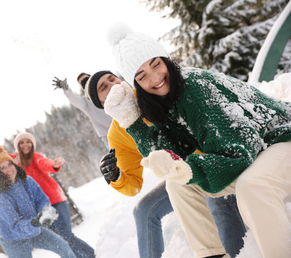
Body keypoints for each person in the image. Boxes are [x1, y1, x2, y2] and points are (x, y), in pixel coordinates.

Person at [104, 22, 291, 258]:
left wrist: (187, 169)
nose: (155, 77)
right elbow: (172, 155)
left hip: (280, 138)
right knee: (177, 184)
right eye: (142, 76)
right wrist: (133, 123)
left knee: (252, 186)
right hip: (257, 152)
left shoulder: (194, 87)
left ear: (166, 60)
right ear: (137, 86)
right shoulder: (165, 102)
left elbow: (238, 153)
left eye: (156, 64)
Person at [84, 71, 246, 258]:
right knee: (144, 210)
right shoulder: (117, 134)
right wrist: (116, 176)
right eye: (103, 87)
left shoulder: (150, 92)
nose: (112, 84)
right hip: (178, 178)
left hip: (211, 163)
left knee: (217, 202)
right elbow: (133, 186)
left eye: (112, 78)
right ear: (103, 104)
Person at [11, 132, 95, 258]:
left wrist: (54, 164)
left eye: (28, 141)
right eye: (21, 143)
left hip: (56, 200)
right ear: (17, 146)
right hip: (41, 208)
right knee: (58, 240)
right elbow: (2, 166)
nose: (25, 144)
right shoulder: (17, 168)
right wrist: (12, 156)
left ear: (32, 144)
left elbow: (44, 162)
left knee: (66, 235)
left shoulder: (36, 157)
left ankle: (91, 255)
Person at [0, 144, 76, 258]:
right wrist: (37, 222)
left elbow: (41, 200)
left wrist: (46, 211)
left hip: (35, 230)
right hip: (14, 241)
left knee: (63, 247)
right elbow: (16, 227)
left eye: (9, 164)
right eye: (3, 168)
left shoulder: (27, 181)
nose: (9, 169)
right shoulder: (0, 198)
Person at [52, 72, 113, 149]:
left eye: (86, 79)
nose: (85, 82)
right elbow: (74, 99)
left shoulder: (105, 89)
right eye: (82, 82)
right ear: (82, 88)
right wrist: (66, 89)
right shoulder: (86, 102)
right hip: (109, 136)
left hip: (124, 127)